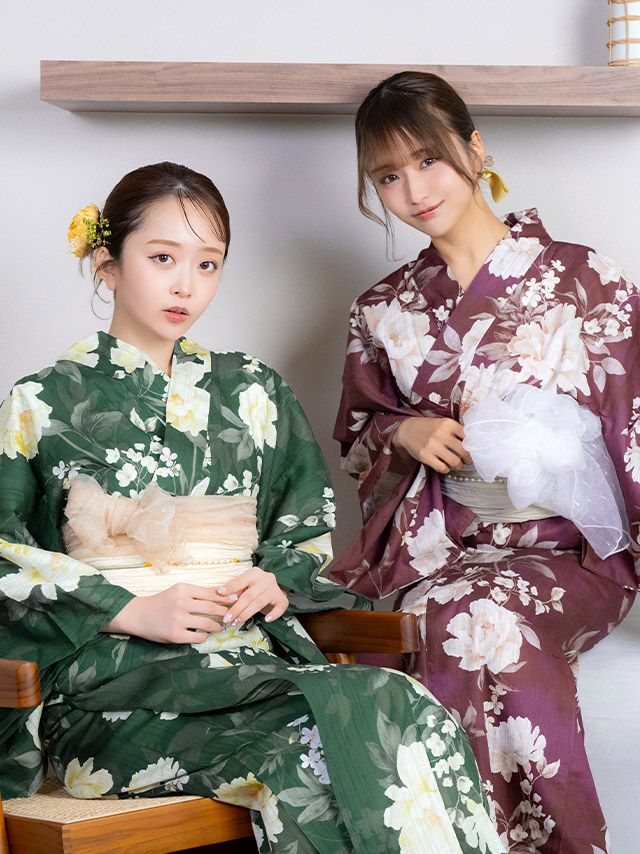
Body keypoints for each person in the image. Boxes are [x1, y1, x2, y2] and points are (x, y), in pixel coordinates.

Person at [0, 162, 502, 853]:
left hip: (244, 661)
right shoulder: (40, 402)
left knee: (405, 704)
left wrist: (275, 580)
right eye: (162, 258)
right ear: (106, 263)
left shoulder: (254, 391)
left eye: (207, 264)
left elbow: (303, 528)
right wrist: (125, 609)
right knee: (312, 752)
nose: (186, 284)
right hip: (111, 687)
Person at [330, 72, 639, 853]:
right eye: (387, 177)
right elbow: (358, 435)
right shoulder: (382, 311)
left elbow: (633, 423)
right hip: (442, 552)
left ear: (474, 150)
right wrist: (403, 433)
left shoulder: (587, 281)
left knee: (481, 616)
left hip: (569, 556)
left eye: (428, 160)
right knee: (437, 613)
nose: (413, 190)